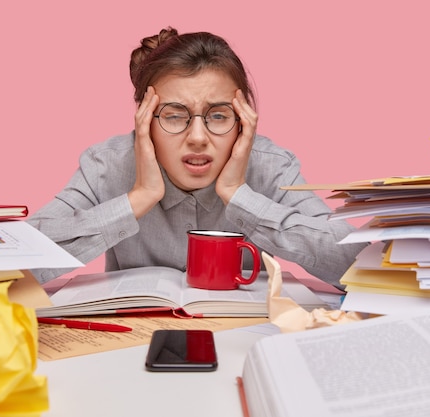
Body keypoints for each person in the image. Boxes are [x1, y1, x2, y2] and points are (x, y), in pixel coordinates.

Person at [27, 27, 366, 287]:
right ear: (145, 119)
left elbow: (357, 266)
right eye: (174, 115)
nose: (198, 138)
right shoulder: (106, 165)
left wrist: (240, 197)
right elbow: (15, 264)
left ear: (242, 119)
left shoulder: (271, 165)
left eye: (218, 115)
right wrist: (137, 199)